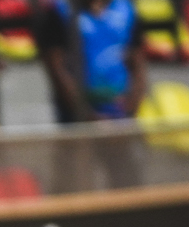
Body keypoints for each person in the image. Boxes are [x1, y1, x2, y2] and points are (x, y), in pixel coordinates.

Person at [35, 0, 144, 189]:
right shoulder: (59, 12)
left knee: (126, 187)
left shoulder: (127, 9)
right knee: (73, 186)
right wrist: (87, 115)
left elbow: (138, 64)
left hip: (119, 120)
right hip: (77, 122)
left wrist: (128, 113)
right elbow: (56, 68)